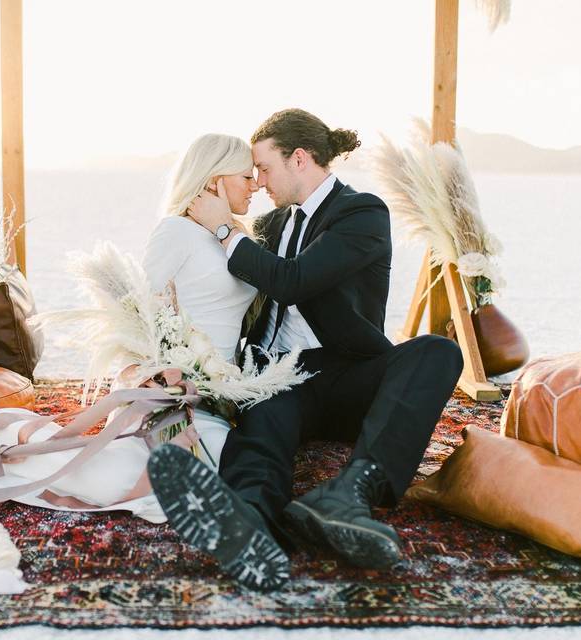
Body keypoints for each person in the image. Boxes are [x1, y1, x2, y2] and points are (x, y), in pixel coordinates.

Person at [147, 109, 464, 591]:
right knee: (261, 428)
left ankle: (352, 491)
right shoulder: (273, 223)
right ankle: (249, 524)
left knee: (437, 351)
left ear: (299, 159)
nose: (258, 181)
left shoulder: (361, 214)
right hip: (276, 375)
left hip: (342, 374)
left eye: (265, 169)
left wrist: (223, 228)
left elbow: (293, 283)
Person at [0, 133, 261, 523]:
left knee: (222, 465)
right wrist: (155, 373)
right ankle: (18, 442)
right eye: (246, 176)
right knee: (130, 477)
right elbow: (141, 314)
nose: (255, 185)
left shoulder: (235, 236)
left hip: (222, 391)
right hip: (174, 389)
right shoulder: (177, 231)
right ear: (213, 180)